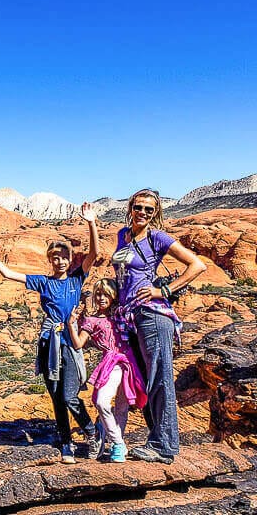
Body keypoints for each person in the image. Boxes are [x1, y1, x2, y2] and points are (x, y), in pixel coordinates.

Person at [0, 202, 100, 464]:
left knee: (69, 395)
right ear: (50, 260)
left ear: (69, 258)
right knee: (56, 396)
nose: (60, 261)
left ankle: (91, 432)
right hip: (48, 343)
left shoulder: (77, 279)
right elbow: (8, 273)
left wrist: (91, 222)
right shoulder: (43, 281)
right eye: (55, 257)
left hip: (71, 343)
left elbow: (94, 254)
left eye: (64, 257)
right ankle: (66, 443)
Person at [111, 188, 206, 464]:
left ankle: (164, 446)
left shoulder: (157, 237)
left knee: (159, 377)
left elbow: (196, 265)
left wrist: (162, 291)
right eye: (138, 207)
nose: (142, 213)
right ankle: (156, 439)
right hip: (130, 317)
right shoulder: (122, 236)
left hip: (153, 315)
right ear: (130, 207)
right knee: (143, 379)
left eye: (149, 210)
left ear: (156, 213)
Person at [67, 278, 147, 463]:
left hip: (130, 362)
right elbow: (78, 344)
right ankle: (118, 443)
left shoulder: (122, 313)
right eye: (98, 294)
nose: (101, 298)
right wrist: (72, 324)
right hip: (111, 363)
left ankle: (112, 442)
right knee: (103, 402)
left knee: (122, 406)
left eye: (105, 294)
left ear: (113, 296)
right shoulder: (92, 320)